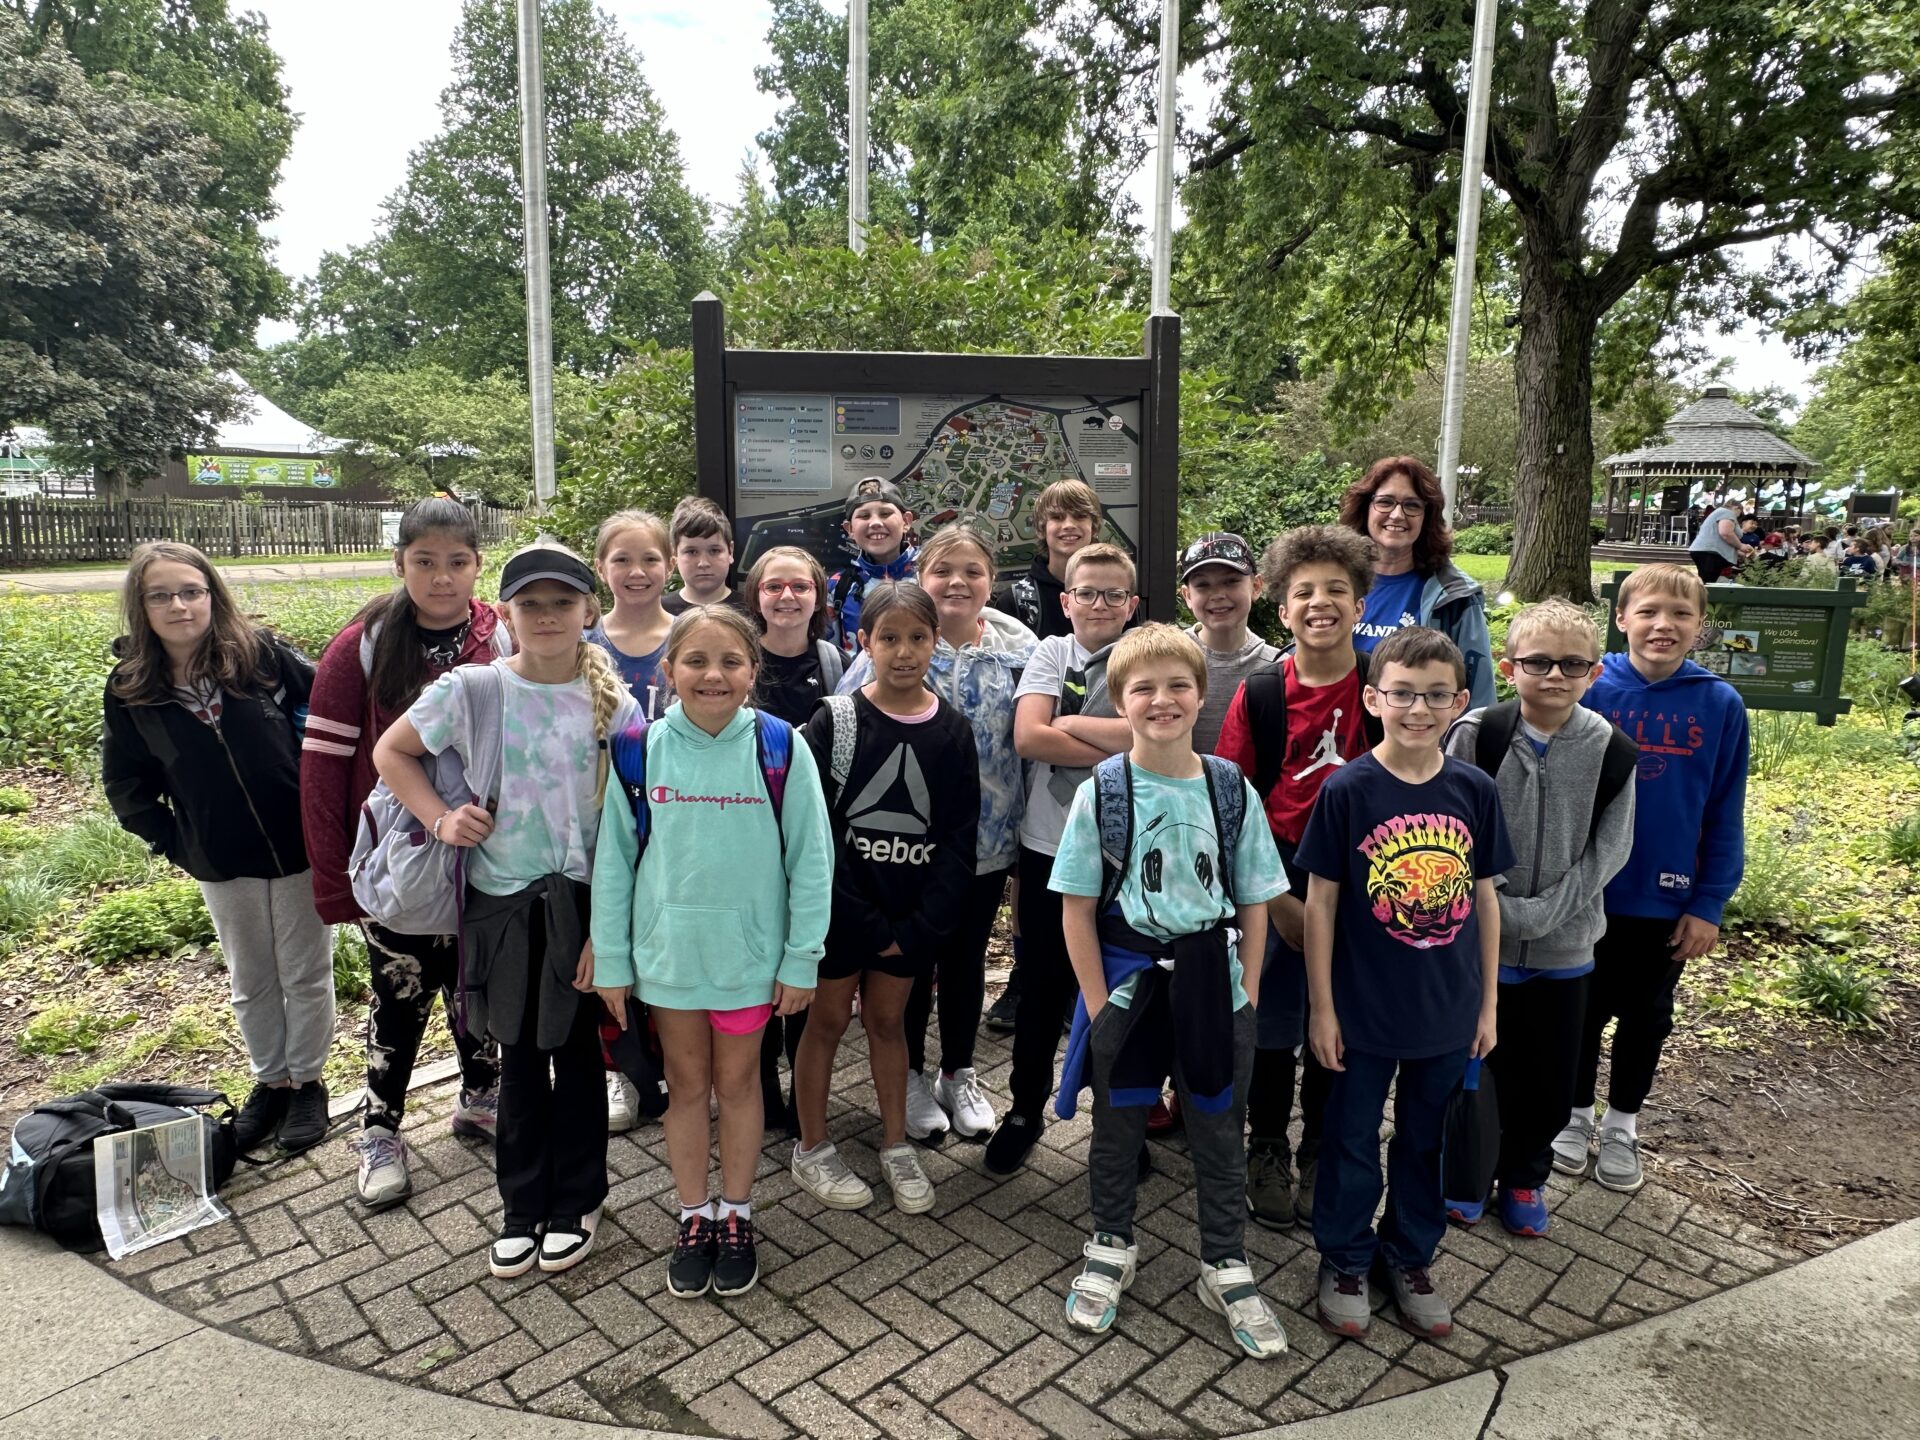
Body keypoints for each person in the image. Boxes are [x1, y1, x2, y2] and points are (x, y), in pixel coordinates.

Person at [373, 543, 634, 1278]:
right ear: (508, 614)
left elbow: (630, 827)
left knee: (580, 1056)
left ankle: (580, 1198)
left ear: (588, 610)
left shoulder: (616, 700)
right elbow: (393, 754)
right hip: (501, 903)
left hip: (583, 901)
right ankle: (521, 1204)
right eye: (530, 605)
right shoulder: (473, 690)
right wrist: (440, 818)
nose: (547, 617)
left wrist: (609, 931)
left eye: (562, 603)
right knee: (516, 1058)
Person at [1048, 624, 1290, 1357]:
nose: (1162, 700)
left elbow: (1255, 899)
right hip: (1129, 986)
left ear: (1200, 693)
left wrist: (1244, 987)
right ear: (1121, 701)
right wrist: (1097, 1003)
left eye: (1177, 685)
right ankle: (1111, 1242)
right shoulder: (1106, 790)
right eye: (1143, 688)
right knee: (1119, 1124)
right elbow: (1077, 907)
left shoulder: (1228, 785)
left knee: (1219, 1122)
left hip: (1214, 989)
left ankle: (1224, 1259)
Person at [592, 606, 833, 1300]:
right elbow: (615, 861)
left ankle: (738, 1214)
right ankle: (694, 1215)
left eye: (731, 661)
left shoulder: (780, 747)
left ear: (753, 673)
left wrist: (799, 959)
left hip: (749, 962)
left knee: (741, 1087)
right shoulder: (640, 749)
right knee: (687, 1090)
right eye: (695, 661)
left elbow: (811, 861)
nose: (713, 675)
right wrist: (613, 959)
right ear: (668, 673)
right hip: (670, 961)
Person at [1297, 626, 1513, 1340]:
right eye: (1402, 695)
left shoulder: (1474, 789)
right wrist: (1322, 1008)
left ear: (1458, 701)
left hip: (1448, 1012)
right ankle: (1346, 1257)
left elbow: (1484, 899)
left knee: (1424, 1141)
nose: (1417, 710)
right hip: (1361, 1011)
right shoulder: (1348, 789)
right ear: (1373, 699)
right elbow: (1321, 902)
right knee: (1352, 1136)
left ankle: (1410, 1254)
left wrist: (1486, 1002)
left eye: (1434, 696)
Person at [300, 498, 515, 1205]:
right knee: (399, 995)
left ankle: (481, 1095)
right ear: (400, 563)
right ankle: (380, 1126)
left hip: (484, 855)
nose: (442, 577)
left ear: (478, 566)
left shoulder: (502, 639)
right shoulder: (360, 644)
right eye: (424, 562)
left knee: (472, 983)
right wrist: (336, 880)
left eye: (457, 562)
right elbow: (325, 767)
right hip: (395, 860)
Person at [103, 542, 334, 1157]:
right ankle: (272, 1082)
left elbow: (331, 711)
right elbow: (126, 783)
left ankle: (309, 1081)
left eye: (191, 591)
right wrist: (178, 842)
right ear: (141, 605)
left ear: (212, 594)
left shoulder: (259, 656)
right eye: (161, 594)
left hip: (297, 846)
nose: (179, 605)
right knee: (252, 976)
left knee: (304, 972)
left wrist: (325, 807)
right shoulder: (131, 689)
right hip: (218, 858)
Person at [1441, 601, 1636, 1237]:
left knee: (1548, 1078)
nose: (1554, 675)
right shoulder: (1478, 733)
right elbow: (1451, 826)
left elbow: (1611, 847)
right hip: (1479, 942)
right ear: (1509, 665)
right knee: (1474, 1070)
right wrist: (1493, 904)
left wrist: (1542, 913)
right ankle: (1465, 1174)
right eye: (1538, 662)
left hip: (1566, 947)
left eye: (1572, 663)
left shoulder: (1612, 749)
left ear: (1594, 671)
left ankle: (1525, 1175)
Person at [840, 524, 1037, 1142]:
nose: (958, 582)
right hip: (905, 844)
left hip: (987, 841)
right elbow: (851, 723)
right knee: (912, 960)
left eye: (973, 571)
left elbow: (1032, 741)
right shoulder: (897, 644)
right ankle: (916, 1075)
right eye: (943, 570)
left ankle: (960, 1070)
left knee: (964, 960)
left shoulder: (1020, 647)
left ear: (991, 581)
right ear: (919, 580)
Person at [790, 583, 979, 1214]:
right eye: (889, 638)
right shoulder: (836, 720)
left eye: (918, 638)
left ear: (936, 643)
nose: (904, 652)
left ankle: (894, 1142)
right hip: (841, 913)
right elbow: (813, 832)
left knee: (888, 1024)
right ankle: (812, 1145)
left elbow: (958, 838)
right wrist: (866, 920)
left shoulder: (952, 730)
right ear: (863, 642)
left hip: (909, 919)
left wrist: (921, 924)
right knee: (825, 1021)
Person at [1559, 564, 1747, 1194]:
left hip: (1665, 897)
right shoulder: (1590, 687)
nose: (1663, 625)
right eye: (1648, 612)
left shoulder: (1719, 704)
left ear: (1699, 625)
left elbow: (1725, 807)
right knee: (1580, 1010)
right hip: (1586, 888)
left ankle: (1622, 1124)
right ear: (1622, 619)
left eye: (1680, 614)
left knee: (1646, 1016)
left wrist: (1710, 901)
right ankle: (1575, 1115)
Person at [1215, 526, 1381, 1232]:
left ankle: (1321, 1147)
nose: (1320, 604)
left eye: (1336, 590)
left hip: (1365, 877)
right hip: (1278, 876)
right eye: (1303, 592)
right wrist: (1273, 898)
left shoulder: (1385, 685)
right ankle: (1267, 1147)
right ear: (1280, 608)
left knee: (1338, 1018)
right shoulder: (1260, 695)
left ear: (1360, 601)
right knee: (1275, 1023)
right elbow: (1229, 805)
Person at [987, 542, 1141, 1175]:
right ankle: (1024, 1109)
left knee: (1126, 995)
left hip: (1127, 856)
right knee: (1044, 988)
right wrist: (1122, 740)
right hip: (1050, 848)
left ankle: (1120, 1124)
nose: (1099, 605)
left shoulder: (1143, 654)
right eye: (1087, 593)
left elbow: (1155, 732)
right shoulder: (1051, 652)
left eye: (1113, 595)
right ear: (1066, 599)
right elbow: (1028, 737)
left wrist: (1070, 725)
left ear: (1132, 605)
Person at [743, 544, 845, 1130]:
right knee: (756, 972)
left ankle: (807, 1095)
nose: (787, 597)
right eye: (774, 586)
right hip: (748, 834)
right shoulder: (736, 658)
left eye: (800, 587)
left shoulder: (835, 662)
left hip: (813, 836)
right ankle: (759, 1092)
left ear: (817, 597)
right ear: (756, 595)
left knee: (805, 965)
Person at [1340, 457, 1495, 707]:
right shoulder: (1336, 582)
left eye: (1412, 506)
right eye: (1385, 502)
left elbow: (1478, 696)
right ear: (1365, 508)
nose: (1397, 515)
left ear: (1427, 517)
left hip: (1421, 738)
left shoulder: (1455, 596)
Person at [1177, 532, 1280, 754]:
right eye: (1203, 585)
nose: (1217, 594)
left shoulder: (1280, 667)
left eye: (1231, 581)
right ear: (1187, 596)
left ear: (1256, 586)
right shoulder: (1166, 657)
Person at [587, 509, 675, 722]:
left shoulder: (690, 638)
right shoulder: (582, 643)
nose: (637, 571)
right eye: (622, 560)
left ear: (670, 566)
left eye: (650, 559)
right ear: (601, 569)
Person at [994, 479, 1103, 641]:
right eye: (1057, 517)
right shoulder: (1014, 602)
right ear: (1041, 529)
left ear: (1093, 527)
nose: (1069, 525)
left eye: (1080, 516)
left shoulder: (1115, 595)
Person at [828, 477, 918, 655]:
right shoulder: (837, 587)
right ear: (850, 529)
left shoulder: (933, 577)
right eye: (863, 516)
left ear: (906, 521)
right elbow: (830, 653)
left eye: (885, 514)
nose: (875, 523)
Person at [662, 496, 749, 617]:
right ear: (674, 555)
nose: (703, 563)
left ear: (730, 551)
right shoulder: (658, 612)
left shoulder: (754, 611)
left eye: (714, 551)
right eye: (691, 552)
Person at [1686, 496, 1750, 584]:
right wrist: (1741, 546)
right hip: (1711, 553)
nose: (1739, 516)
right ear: (1736, 508)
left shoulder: (1719, 512)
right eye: (1740, 513)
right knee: (1708, 583)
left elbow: (1720, 539)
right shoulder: (1727, 513)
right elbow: (1726, 533)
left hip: (1707, 551)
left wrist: (1738, 552)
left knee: (1706, 581)